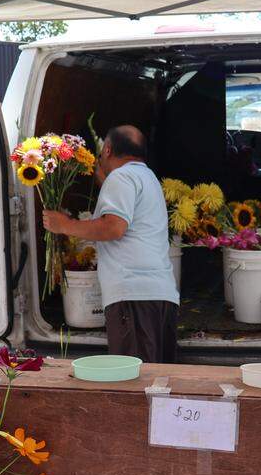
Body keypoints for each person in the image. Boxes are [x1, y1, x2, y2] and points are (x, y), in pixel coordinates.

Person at [42, 125, 179, 363]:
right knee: (158, 383)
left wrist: (63, 225)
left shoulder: (121, 177)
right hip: (159, 296)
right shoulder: (147, 178)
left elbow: (114, 227)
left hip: (133, 298)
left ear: (107, 149)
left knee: (136, 382)